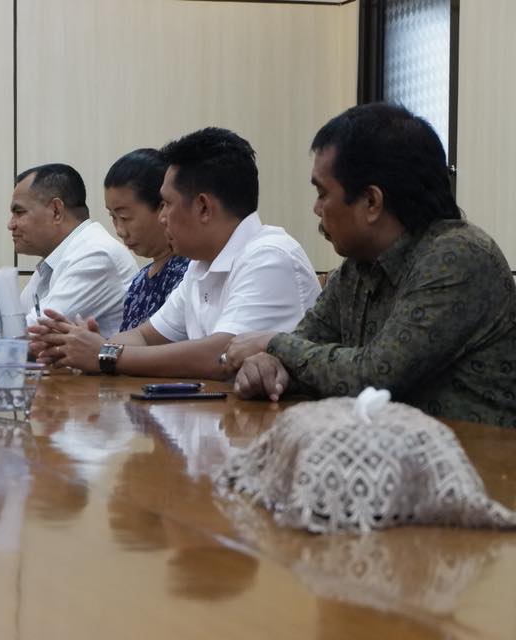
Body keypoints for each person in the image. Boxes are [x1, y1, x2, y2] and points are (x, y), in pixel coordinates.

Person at [227, 103, 516, 427]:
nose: (316, 208)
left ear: (371, 202)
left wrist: (272, 343)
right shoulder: (358, 266)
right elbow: (304, 351)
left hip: (474, 454)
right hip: (384, 450)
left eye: (322, 193)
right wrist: (269, 366)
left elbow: (375, 376)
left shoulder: (458, 257)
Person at [32, 128, 320, 379]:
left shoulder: (269, 256)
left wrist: (105, 354)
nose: (162, 217)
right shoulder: (200, 265)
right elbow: (145, 336)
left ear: (203, 207)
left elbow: (223, 356)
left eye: (167, 204)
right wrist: (80, 345)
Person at [11, 163, 138, 339]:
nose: (11, 224)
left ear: (56, 211)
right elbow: (18, 321)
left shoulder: (95, 253)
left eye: (19, 212)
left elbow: (29, 332)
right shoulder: (56, 259)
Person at [104, 149, 189, 331]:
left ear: (163, 208)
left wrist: (101, 345)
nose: (119, 231)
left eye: (125, 217)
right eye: (113, 217)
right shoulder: (139, 281)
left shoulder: (188, 273)